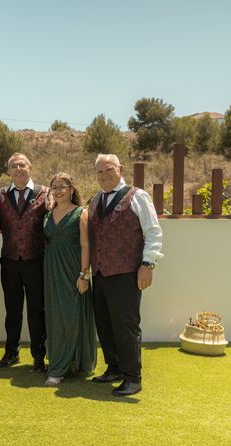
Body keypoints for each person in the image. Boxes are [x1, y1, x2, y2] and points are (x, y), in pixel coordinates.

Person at [89, 153, 163, 396]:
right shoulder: (96, 199)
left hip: (126, 272)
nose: (104, 175)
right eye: (99, 171)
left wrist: (147, 264)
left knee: (126, 326)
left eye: (109, 169)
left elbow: (153, 232)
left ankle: (133, 377)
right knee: (105, 323)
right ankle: (114, 368)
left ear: (120, 168)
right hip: (100, 272)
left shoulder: (137, 196)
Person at [0, 153, 48, 371]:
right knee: (12, 310)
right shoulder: (1, 194)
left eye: (22, 165)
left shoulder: (45, 193)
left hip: (35, 260)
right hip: (10, 261)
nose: (18, 169)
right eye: (13, 166)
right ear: (8, 171)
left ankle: (38, 355)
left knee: (37, 309)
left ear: (30, 167)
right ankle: (11, 353)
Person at [42, 172, 96, 386]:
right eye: (54, 186)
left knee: (72, 314)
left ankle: (63, 366)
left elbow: (86, 245)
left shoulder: (81, 213)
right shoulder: (48, 213)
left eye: (63, 186)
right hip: (52, 270)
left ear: (72, 189)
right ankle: (58, 362)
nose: (58, 190)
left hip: (72, 269)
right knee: (55, 316)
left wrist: (84, 274)